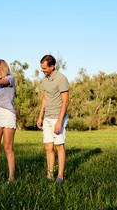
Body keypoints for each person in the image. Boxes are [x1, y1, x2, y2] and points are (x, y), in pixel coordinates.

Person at [37, 55, 69, 184]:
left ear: (52, 66)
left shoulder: (61, 79)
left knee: (58, 146)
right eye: (41, 68)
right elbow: (44, 99)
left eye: (44, 68)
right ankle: (49, 175)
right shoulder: (45, 79)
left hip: (58, 117)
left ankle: (60, 176)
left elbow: (65, 102)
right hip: (47, 117)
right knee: (48, 147)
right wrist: (40, 116)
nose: (42, 70)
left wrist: (59, 122)